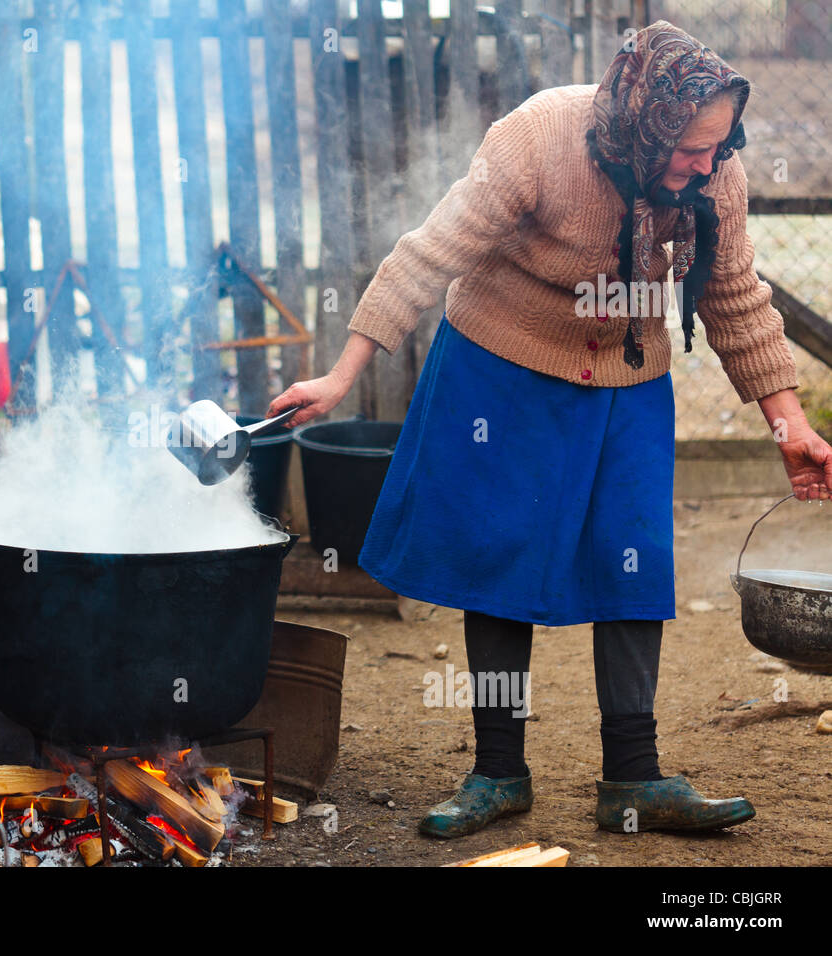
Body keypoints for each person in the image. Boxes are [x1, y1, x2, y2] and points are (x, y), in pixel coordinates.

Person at [269, 21, 832, 838]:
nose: (706, 166)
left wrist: (790, 425)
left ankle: (633, 780)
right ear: (646, 120)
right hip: (504, 359)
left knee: (632, 559)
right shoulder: (537, 139)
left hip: (628, 376)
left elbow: (736, 296)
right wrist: (341, 374)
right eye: (690, 150)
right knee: (499, 558)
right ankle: (498, 771)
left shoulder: (717, 178)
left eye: (719, 148)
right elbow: (427, 256)